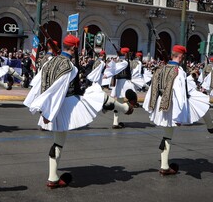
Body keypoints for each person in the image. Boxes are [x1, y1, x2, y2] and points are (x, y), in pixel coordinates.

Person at [24, 34, 136, 188]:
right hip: (63, 105)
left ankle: (53, 177)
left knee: (58, 143)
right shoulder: (68, 66)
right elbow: (56, 89)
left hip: (54, 106)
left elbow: (39, 86)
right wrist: (48, 113)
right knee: (98, 95)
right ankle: (125, 108)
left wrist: (41, 108)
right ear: (75, 48)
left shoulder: (48, 62)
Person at [142, 45, 213, 175]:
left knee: (199, 101)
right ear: (180, 56)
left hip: (162, 104)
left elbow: (153, 89)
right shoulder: (178, 71)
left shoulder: (160, 69)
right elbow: (180, 94)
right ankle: (211, 126)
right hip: (173, 106)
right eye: (183, 57)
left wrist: (150, 107)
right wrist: (178, 116)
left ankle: (164, 166)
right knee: (202, 102)